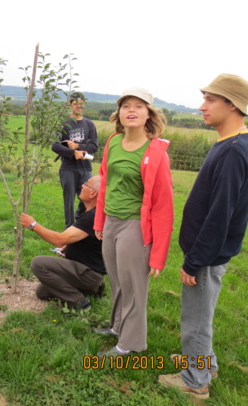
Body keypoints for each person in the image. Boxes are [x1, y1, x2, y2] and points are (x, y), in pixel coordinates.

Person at [158, 74, 248, 400]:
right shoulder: (231, 144)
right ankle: (203, 362)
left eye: (210, 100)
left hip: (206, 254)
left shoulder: (235, 151)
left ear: (232, 104)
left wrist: (195, 261)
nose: (202, 106)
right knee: (201, 313)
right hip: (208, 251)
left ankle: (195, 380)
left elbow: (220, 214)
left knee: (196, 318)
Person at [93, 88, 173, 356]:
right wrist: (99, 219)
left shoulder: (156, 151)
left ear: (148, 114)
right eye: (127, 105)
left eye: (139, 106)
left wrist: (158, 256)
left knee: (134, 287)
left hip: (135, 225)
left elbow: (164, 207)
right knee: (117, 280)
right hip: (111, 222)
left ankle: (131, 344)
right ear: (119, 113)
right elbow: (105, 182)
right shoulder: (113, 141)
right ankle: (117, 327)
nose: (132, 110)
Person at [20, 175, 105, 309]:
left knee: (38, 263)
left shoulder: (92, 216)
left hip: (89, 274)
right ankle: (91, 290)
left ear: (93, 193)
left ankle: (79, 302)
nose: (82, 186)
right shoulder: (92, 213)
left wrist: (33, 225)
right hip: (84, 271)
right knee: (42, 292)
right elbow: (80, 239)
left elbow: (59, 240)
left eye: (86, 184)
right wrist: (70, 246)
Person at [51, 92, 98, 228]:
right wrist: (73, 152)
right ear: (70, 105)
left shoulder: (89, 124)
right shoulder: (63, 123)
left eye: (81, 104)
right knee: (69, 201)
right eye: (75, 103)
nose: (79, 106)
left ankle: (80, 221)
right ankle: (69, 229)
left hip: (85, 168)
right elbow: (55, 145)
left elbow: (94, 147)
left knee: (88, 199)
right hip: (68, 168)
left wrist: (79, 146)